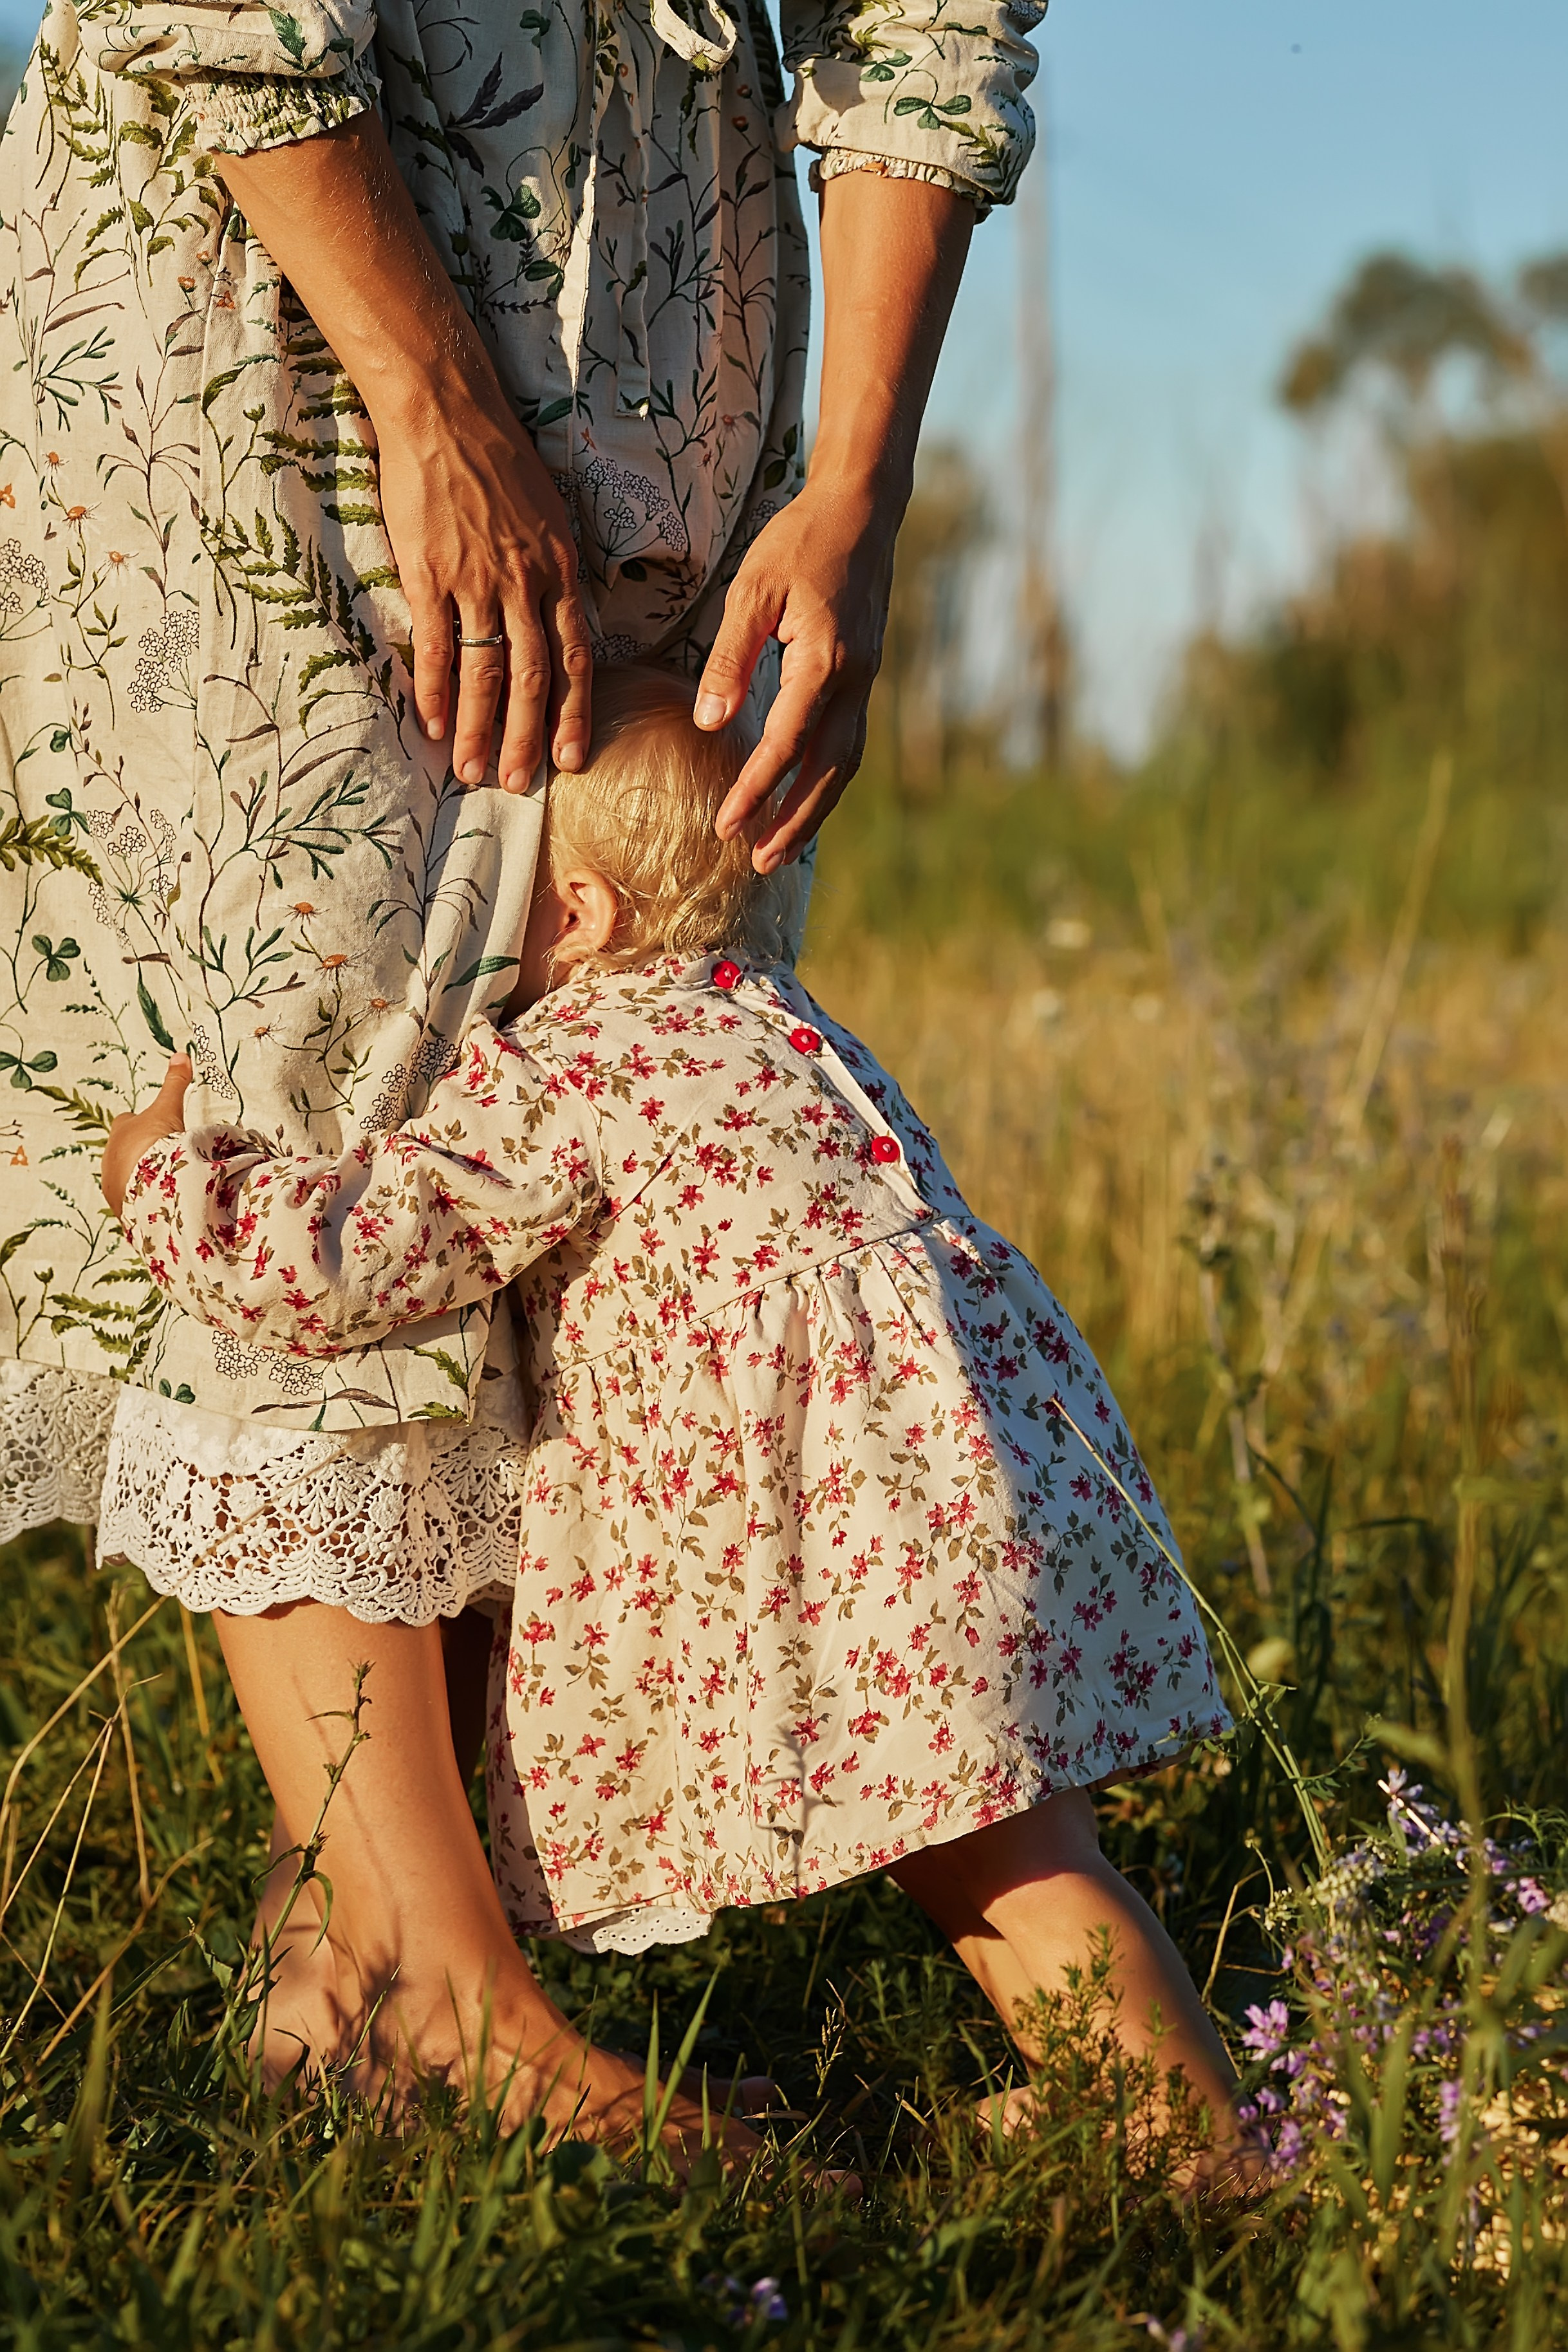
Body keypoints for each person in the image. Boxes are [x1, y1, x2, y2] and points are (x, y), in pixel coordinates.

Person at [0, 0, 1038, 2139]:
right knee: (333, 1069)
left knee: (590, 1051)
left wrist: (851, 490)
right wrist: (424, 387)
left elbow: (929, 21)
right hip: (293, 262)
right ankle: (427, 1983)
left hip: (676, 272)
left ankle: (355, 1975)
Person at [102, 664, 1242, 2160]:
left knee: (997, 1850)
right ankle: (1177, 2098)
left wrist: (169, 1185)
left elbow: (357, 1256)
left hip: (847, 1541)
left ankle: (1192, 2146)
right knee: (1022, 1849)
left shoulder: (575, 1071)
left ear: (579, 916)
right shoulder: (787, 1024)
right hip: (989, 1490)